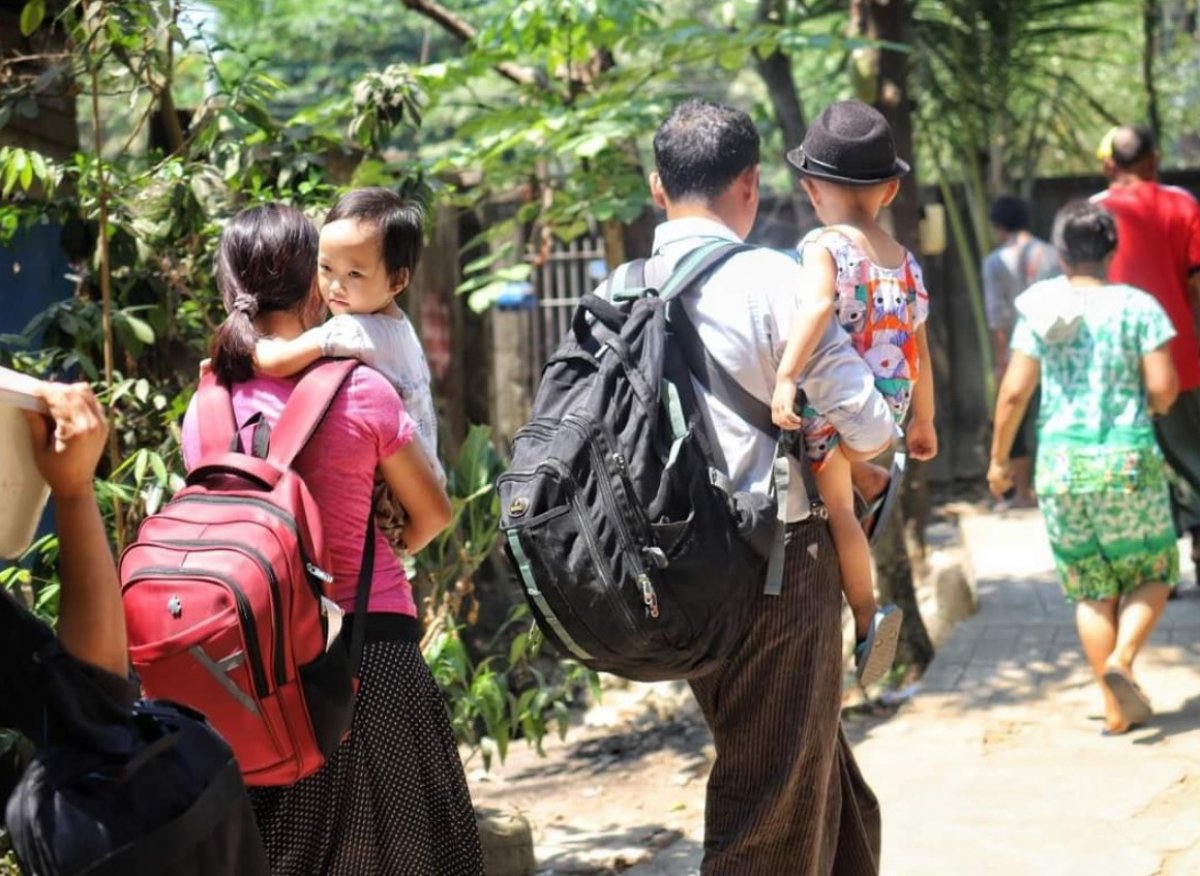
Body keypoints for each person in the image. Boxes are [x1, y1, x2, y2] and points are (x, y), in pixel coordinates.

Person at [632, 99, 894, 874]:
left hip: (674, 569)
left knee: (822, 783)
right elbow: (871, 425)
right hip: (777, 569)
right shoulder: (772, 280)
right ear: (750, 183)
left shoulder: (621, 287)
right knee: (769, 806)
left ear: (657, 187)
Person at [181, 204, 482, 875]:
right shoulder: (362, 391)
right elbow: (432, 516)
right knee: (401, 856)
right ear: (313, 284)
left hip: (244, 677)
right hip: (368, 655)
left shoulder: (206, 405)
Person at [989, 200, 1179, 735]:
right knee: (1155, 569)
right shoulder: (1139, 307)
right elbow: (1164, 389)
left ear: (1062, 253)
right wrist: (1153, 406)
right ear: (1113, 250)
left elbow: (1014, 392)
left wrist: (1000, 461)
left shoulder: (1042, 308)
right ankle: (1123, 659)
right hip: (1127, 459)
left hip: (1060, 467)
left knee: (1091, 586)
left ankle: (1116, 710)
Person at [771, 99, 937, 688]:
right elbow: (919, 349)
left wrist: (787, 376)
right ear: (889, 191)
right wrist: (923, 423)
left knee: (836, 512)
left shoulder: (825, 245)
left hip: (837, 406)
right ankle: (875, 485)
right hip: (888, 406)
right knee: (853, 491)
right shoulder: (905, 261)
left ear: (812, 188)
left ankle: (868, 619)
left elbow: (816, 307)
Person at [253, 187, 443, 552]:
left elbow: (276, 362)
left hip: (397, 490)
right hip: (418, 477)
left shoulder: (355, 330)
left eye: (355, 273)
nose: (335, 287)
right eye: (326, 268)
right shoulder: (398, 327)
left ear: (398, 281)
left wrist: (236, 348)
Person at [1093, 125, 1200, 566]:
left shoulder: (1091, 213)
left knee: (1136, 460)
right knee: (1192, 454)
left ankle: (1152, 563)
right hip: (1180, 361)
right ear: (1154, 160)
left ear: (1108, 165)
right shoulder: (1183, 204)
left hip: (1112, 369)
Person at [982, 194, 1062, 508]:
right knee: (1048, 415)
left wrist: (1001, 361)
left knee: (1014, 421)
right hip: (1055, 348)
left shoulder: (995, 262)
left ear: (998, 225)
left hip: (1018, 351)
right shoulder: (1053, 254)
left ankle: (1023, 492)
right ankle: (1050, 487)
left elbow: (998, 317)